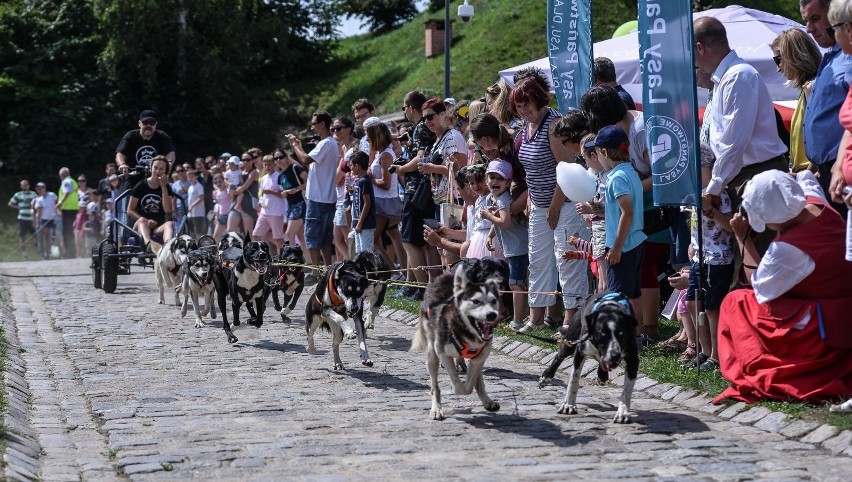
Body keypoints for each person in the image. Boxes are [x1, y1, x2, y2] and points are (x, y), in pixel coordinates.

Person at [714, 170, 852, 403]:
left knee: (737, 301)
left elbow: (760, 289)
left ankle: (757, 365)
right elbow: (806, 177)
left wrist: (742, 238)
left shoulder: (787, 251)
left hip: (823, 323)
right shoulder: (817, 203)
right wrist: (784, 180)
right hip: (841, 308)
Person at [694, 16, 789, 257]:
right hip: (743, 177)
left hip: (755, 176)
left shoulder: (738, 76)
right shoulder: (728, 78)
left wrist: (714, 188)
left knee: (760, 257)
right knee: (751, 256)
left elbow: (733, 143)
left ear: (699, 48)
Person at [512, 75, 588, 332]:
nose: (524, 111)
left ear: (539, 99)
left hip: (564, 204)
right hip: (539, 203)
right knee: (539, 260)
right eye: (519, 106)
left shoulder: (553, 125)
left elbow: (565, 170)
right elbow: (530, 170)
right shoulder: (525, 128)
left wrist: (555, 206)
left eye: (528, 104)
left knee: (567, 259)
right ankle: (535, 317)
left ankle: (571, 318)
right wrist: (532, 198)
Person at [683, 144, 735, 371]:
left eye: (699, 169)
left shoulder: (719, 193)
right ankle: (704, 350)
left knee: (713, 307)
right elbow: (693, 223)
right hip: (700, 256)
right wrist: (691, 243)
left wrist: (710, 209)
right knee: (693, 301)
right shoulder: (693, 193)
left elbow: (730, 225)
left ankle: (717, 354)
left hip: (718, 257)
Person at [802, 0, 852, 217]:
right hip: (830, 172)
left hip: (843, 173)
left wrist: (840, 166)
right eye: (806, 21)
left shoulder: (847, 59)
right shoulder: (832, 56)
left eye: (815, 19)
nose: (809, 29)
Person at [587, 126, 645, 308]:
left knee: (618, 298)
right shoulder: (631, 171)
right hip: (636, 241)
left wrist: (617, 247)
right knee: (633, 295)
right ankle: (635, 336)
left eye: (597, 153)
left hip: (623, 246)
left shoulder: (616, 177)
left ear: (604, 152)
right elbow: (623, 209)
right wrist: (600, 209)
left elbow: (627, 211)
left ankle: (622, 335)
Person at [396, 91, 439, 296]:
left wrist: (402, 169)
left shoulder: (420, 128)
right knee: (427, 240)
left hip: (417, 191)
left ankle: (423, 288)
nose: (404, 112)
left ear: (411, 107)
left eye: (404, 108)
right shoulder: (423, 127)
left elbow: (420, 159)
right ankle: (431, 286)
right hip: (427, 189)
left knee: (408, 239)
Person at [288, 111, 340, 270]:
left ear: (323, 124)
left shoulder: (325, 143)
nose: (312, 126)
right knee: (325, 237)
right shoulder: (331, 144)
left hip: (318, 197)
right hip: (328, 197)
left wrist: (296, 146)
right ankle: (326, 269)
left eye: (314, 123)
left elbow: (304, 160)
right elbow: (310, 162)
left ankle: (316, 272)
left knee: (312, 236)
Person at [480, 159, 529, 330]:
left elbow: (505, 222)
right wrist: (490, 235)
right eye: (491, 177)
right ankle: (525, 316)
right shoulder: (494, 198)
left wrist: (487, 216)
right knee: (519, 282)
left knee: (516, 283)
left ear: (508, 182)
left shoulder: (503, 199)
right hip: (514, 247)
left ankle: (517, 321)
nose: (494, 181)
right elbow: (500, 222)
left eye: (499, 179)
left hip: (518, 248)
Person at [771, 28, 822, 173]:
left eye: (777, 60)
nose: (778, 69)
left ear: (792, 56)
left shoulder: (811, 88)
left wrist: (809, 175)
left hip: (811, 173)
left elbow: (819, 139)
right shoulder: (808, 88)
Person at [364, 117, 406, 269]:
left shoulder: (386, 155)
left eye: (369, 138)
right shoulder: (380, 153)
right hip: (383, 201)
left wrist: (371, 178)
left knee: (372, 239)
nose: (367, 141)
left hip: (384, 202)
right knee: (395, 236)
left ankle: (393, 271)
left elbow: (386, 183)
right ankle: (402, 271)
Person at [126, 155, 175, 250]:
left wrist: (163, 187)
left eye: (161, 169)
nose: (158, 171)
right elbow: (130, 210)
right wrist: (147, 220)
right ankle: (149, 245)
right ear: (151, 168)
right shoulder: (141, 185)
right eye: (155, 168)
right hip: (141, 225)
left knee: (169, 224)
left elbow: (168, 210)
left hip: (158, 226)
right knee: (142, 221)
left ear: (165, 171)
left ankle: (168, 249)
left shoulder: (167, 187)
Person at [274, 148, 308, 257]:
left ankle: (294, 261)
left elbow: (310, 181)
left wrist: (297, 189)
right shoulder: (280, 176)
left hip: (301, 203)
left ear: (286, 157)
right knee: (301, 236)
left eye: (281, 157)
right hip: (290, 206)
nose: (279, 160)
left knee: (289, 234)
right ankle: (309, 264)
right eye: (276, 158)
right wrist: (284, 193)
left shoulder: (295, 168)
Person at [252, 155, 287, 253]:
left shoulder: (279, 176)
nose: (267, 167)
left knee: (278, 238)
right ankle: (260, 256)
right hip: (265, 211)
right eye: (265, 165)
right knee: (256, 234)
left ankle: (282, 259)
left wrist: (271, 191)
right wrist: (261, 202)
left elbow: (283, 194)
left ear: (274, 165)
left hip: (276, 212)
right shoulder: (263, 178)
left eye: (269, 165)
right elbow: (264, 194)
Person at [227, 150, 261, 235]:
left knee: (248, 234)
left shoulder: (254, 172)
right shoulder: (239, 171)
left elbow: (244, 187)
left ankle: (251, 248)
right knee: (230, 231)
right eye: (244, 159)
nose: (245, 161)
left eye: (248, 160)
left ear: (252, 161)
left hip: (248, 205)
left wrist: (235, 190)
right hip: (236, 203)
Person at [349, 151, 376, 253]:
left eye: (351, 165)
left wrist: (360, 223)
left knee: (366, 254)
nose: (350, 168)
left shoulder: (364, 181)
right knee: (359, 254)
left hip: (365, 224)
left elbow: (367, 203)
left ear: (357, 166)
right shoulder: (359, 181)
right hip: (358, 224)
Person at [8, 179, 37, 260]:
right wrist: (18, 207)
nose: (25, 186)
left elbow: (38, 204)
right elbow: (10, 203)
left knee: (37, 235)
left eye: (26, 185)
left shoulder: (33, 194)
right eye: (23, 185)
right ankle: (24, 255)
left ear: (28, 185)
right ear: (21, 186)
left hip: (32, 218)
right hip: (22, 218)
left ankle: (39, 252)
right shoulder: (18, 195)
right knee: (22, 236)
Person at [55, 167, 78, 258]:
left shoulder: (66, 181)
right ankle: (71, 252)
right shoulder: (72, 181)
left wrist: (59, 203)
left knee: (66, 231)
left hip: (68, 209)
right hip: (73, 208)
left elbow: (67, 192)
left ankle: (70, 252)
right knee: (69, 231)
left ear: (62, 174)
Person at [33, 182, 58, 259]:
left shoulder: (52, 195)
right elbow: (39, 213)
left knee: (56, 236)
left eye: (41, 188)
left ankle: (57, 252)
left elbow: (56, 204)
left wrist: (58, 213)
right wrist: (38, 223)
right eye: (38, 189)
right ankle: (47, 254)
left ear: (44, 188)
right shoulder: (39, 200)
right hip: (45, 219)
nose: (39, 190)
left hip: (53, 218)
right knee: (47, 237)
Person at [185, 170, 207, 238]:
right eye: (189, 177)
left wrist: (192, 205)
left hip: (198, 213)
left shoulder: (199, 186)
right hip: (191, 214)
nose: (191, 179)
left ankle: (200, 246)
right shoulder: (190, 187)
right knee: (191, 231)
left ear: (196, 177)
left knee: (199, 231)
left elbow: (201, 197)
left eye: (192, 177)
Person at [211, 175, 230, 241]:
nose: (218, 184)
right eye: (216, 182)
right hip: (221, 216)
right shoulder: (216, 192)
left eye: (220, 181)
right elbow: (219, 205)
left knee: (232, 236)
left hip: (230, 215)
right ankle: (215, 251)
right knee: (215, 236)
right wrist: (217, 216)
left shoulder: (228, 190)